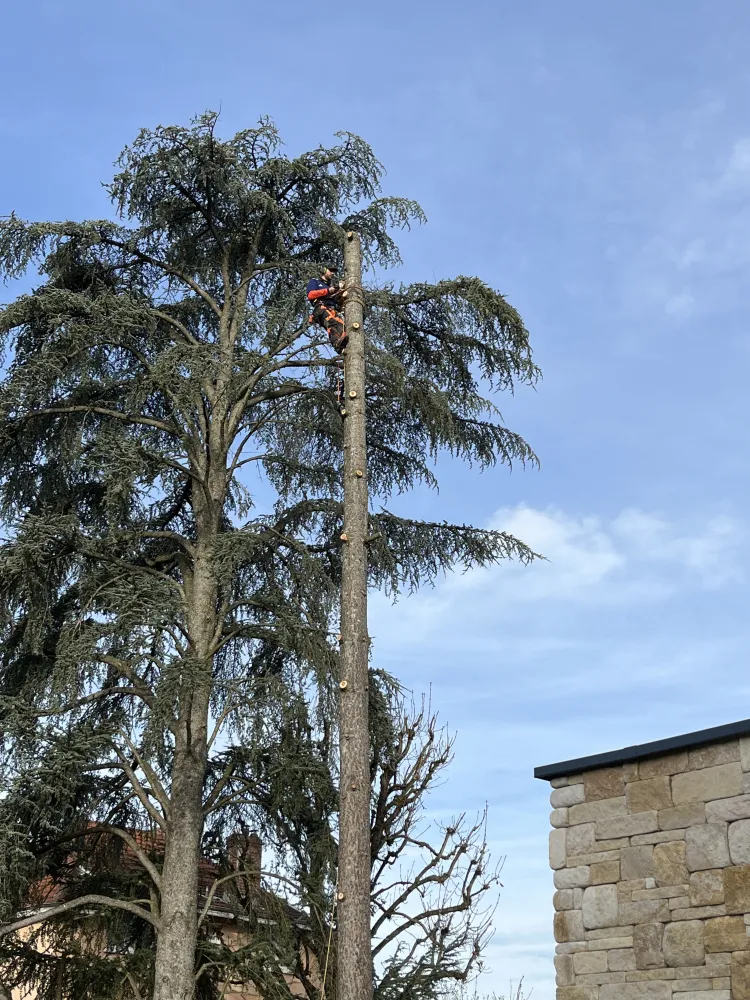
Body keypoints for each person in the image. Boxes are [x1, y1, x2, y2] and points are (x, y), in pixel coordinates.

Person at [306, 266, 348, 353]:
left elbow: (338, 302)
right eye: (331, 271)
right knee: (331, 322)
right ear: (324, 270)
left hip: (333, 310)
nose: (332, 273)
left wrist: (340, 293)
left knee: (341, 326)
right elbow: (310, 295)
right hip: (320, 309)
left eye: (334, 272)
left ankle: (343, 346)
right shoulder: (315, 282)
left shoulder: (331, 287)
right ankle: (336, 343)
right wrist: (327, 291)